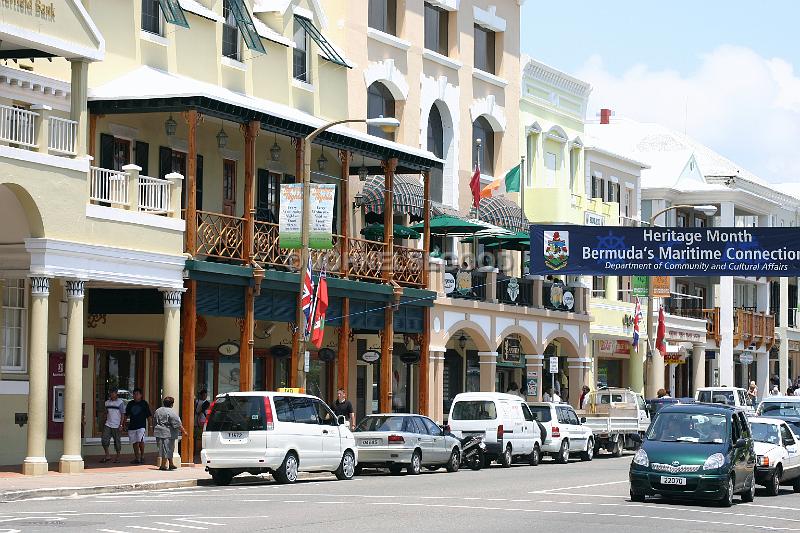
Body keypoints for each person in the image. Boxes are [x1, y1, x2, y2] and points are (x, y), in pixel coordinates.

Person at [153, 396, 187, 471]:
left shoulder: (158, 410)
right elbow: (177, 423)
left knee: (163, 448)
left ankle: (171, 464)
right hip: (168, 432)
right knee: (167, 448)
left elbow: (154, 421)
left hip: (158, 431)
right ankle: (163, 465)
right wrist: (184, 431)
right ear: (172, 404)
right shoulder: (171, 412)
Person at [123, 388, 151, 465]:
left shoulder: (144, 403)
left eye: (137, 394)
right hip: (132, 426)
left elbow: (148, 415)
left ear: (141, 395)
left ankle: (142, 455)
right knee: (134, 442)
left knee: (140, 441)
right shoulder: (130, 403)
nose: (135, 396)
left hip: (141, 426)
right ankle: (137, 458)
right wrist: (123, 424)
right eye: (134, 394)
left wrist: (150, 425)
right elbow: (126, 415)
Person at [100, 390, 125, 464]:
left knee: (117, 441)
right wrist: (103, 420)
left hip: (117, 425)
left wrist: (121, 425)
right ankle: (107, 455)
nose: (111, 394)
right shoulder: (107, 402)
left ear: (116, 393)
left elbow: (123, 414)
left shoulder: (120, 402)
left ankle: (118, 456)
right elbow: (106, 412)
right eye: (110, 393)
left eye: (113, 393)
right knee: (104, 440)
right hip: (108, 424)